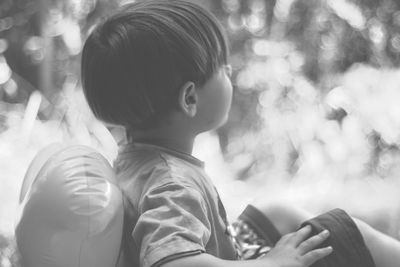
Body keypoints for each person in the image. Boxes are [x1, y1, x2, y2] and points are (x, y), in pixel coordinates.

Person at [80, 1, 400, 267]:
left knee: (275, 211)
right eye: (222, 67)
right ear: (190, 99)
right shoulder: (171, 183)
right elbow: (174, 262)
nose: (230, 71)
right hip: (245, 261)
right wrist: (270, 263)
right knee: (347, 231)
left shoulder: (135, 155)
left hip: (229, 251)